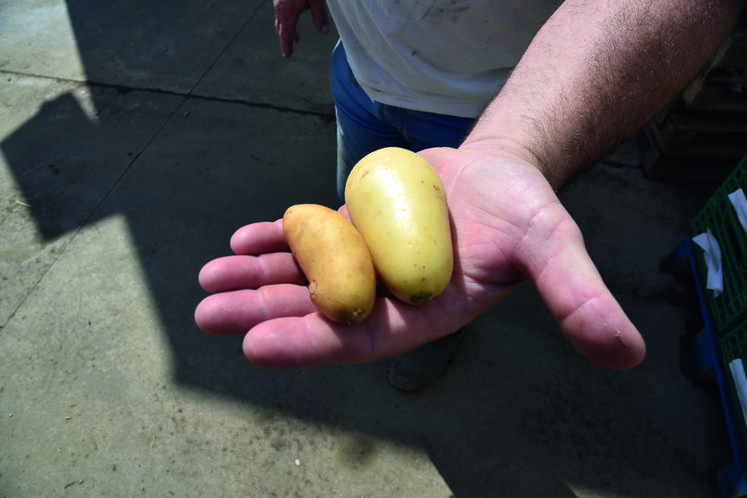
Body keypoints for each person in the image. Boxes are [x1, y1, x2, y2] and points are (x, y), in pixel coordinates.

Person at [195, 0, 742, 385]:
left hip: (493, 103)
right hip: (360, 72)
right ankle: (419, 316)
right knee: (357, 206)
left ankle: (435, 334)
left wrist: (513, 144)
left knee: (449, 258)